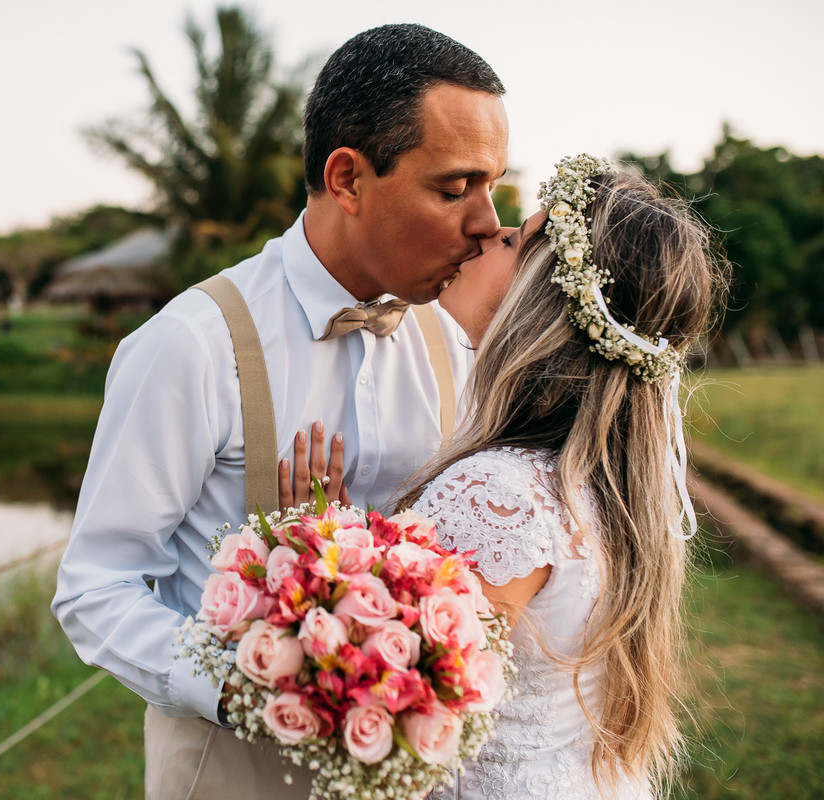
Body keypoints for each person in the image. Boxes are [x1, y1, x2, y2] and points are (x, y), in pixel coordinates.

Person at [52, 23, 507, 800]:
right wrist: (255, 687)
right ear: (347, 179)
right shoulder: (191, 345)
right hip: (231, 776)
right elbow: (96, 587)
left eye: (493, 185)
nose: (486, 222)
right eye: (454, 188)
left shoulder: (454, 343)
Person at [393, 155, 724, 799]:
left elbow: (401, 711)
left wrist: (311, 546)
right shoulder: (616, 490)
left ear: (538, 299)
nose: (489, 234)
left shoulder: (498, 496)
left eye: (515, 239)